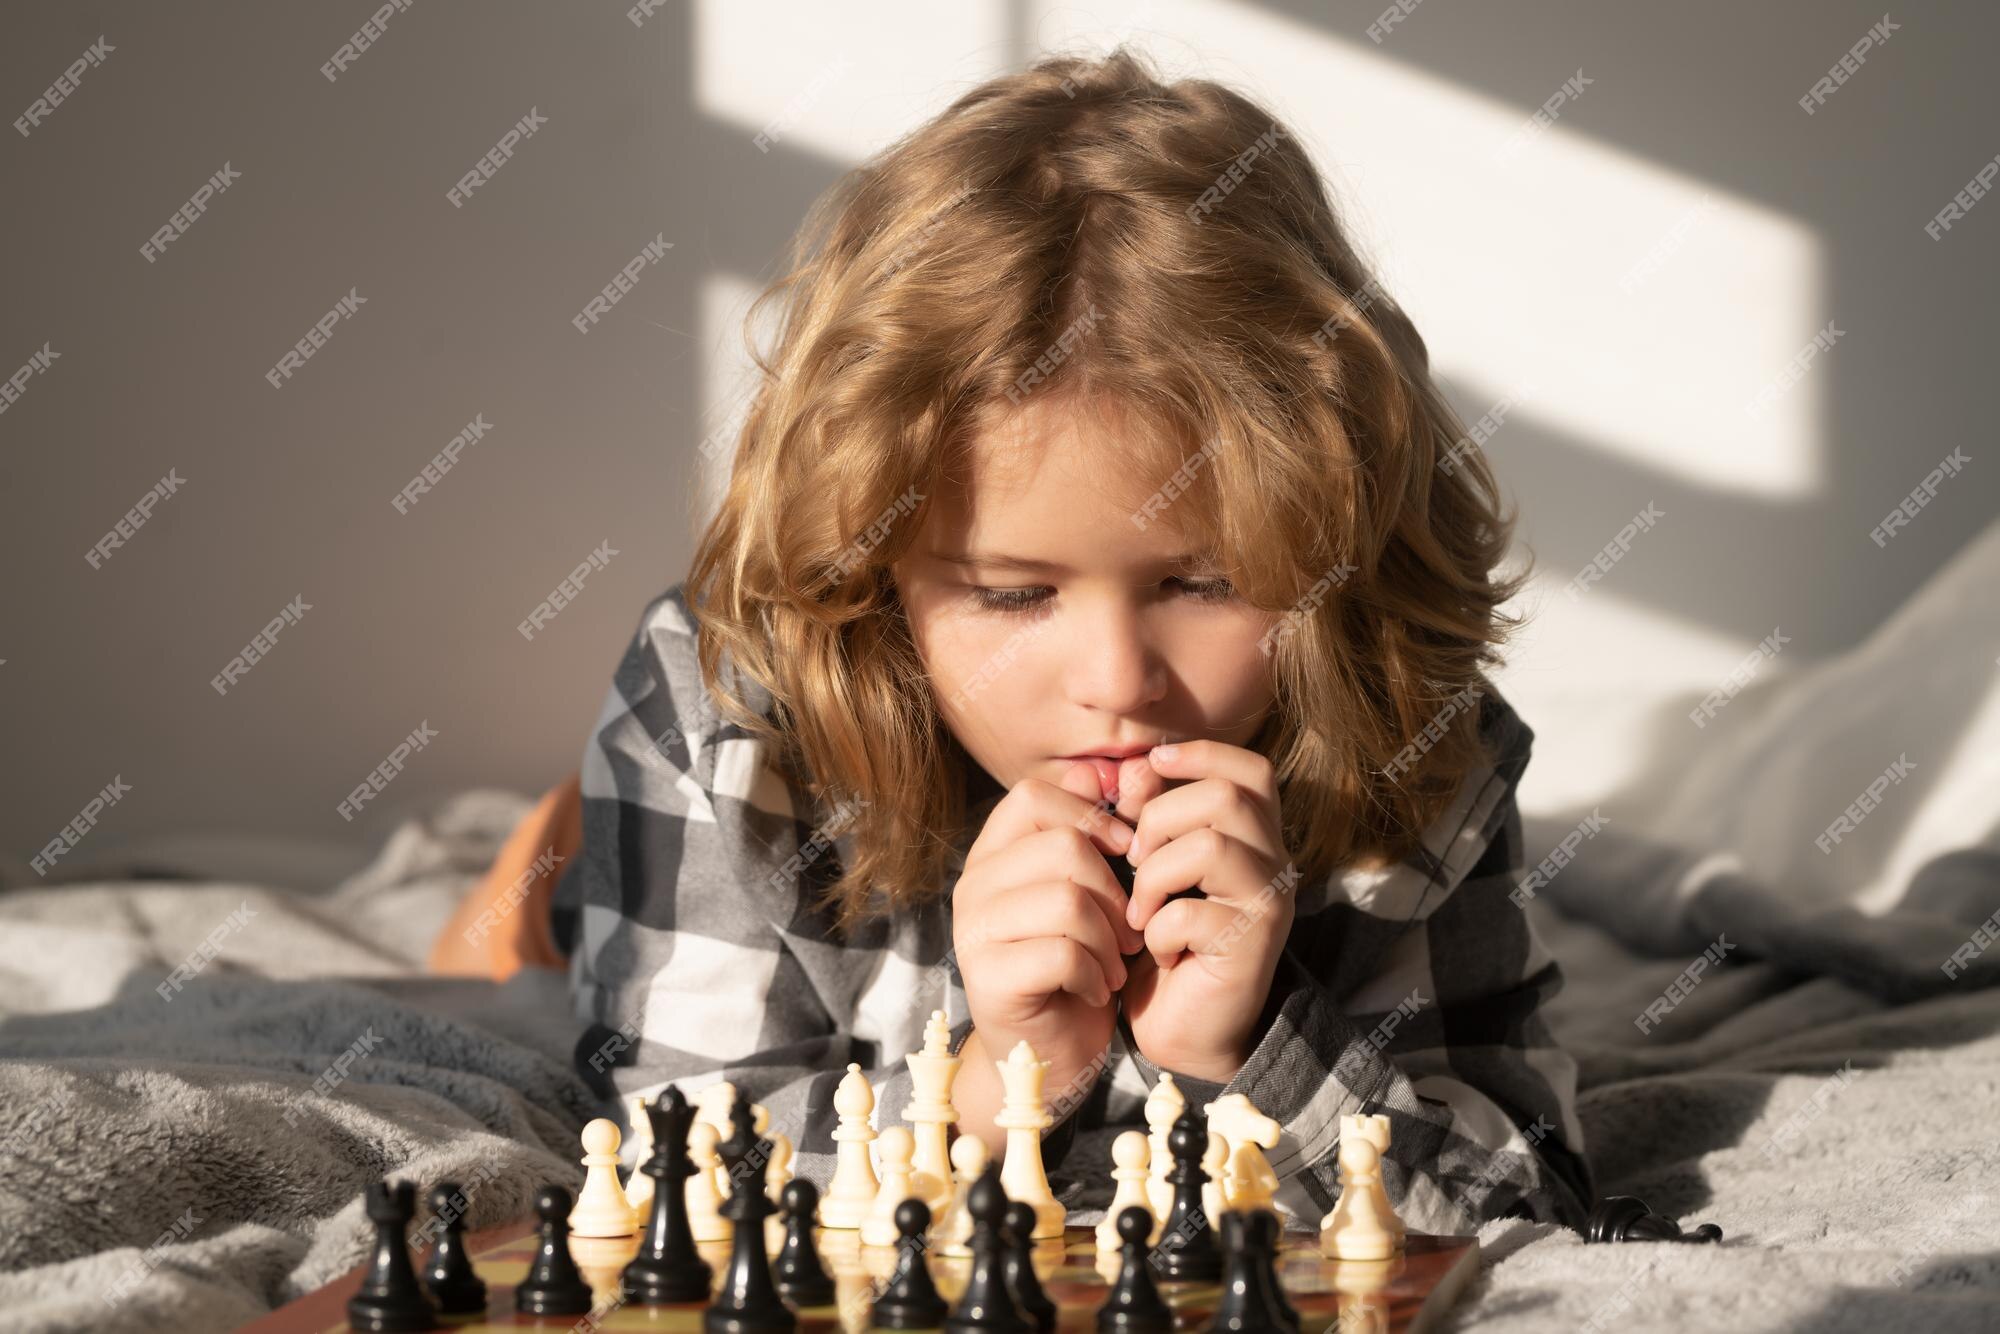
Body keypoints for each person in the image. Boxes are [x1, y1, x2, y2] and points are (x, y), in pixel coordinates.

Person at [549, 47, 1592, 1233]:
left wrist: (1246, 1052)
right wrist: (997, 1089)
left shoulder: (1416, 740)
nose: (1116, 687)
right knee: (546, 905)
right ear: (872, 566)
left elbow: (1526, 1197)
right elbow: (660, 1175)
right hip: (741, 812)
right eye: (1007, 593)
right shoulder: (724, 714)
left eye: (1204, 581)